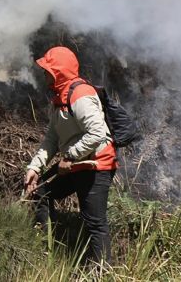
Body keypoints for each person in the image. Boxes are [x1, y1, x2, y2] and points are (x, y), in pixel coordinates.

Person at [24, 46, 117, 264]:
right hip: (74, 164)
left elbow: (97, 133)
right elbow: (51, 140)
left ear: (58, 71)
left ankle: (102, 270)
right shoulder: (60, 99)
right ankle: (46, 248)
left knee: (95, 222)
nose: (43, 74)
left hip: (96, 166)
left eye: (47, 69)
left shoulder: (80, 95)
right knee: (41, 192)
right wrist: (34, 168)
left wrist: (70, 157)